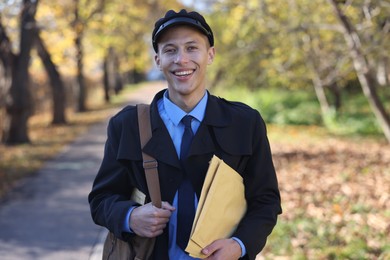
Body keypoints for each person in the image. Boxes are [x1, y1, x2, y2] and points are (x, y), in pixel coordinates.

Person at [88, 9, 282, 260]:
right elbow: (101, 199)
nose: (181, 59)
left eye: (192, 48)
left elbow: (266, 201)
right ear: (158, 60)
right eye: (170, 50)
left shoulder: (245, 123)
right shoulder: (127, 125)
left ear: (210, 55)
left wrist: (239, 245)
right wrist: (130, 217)